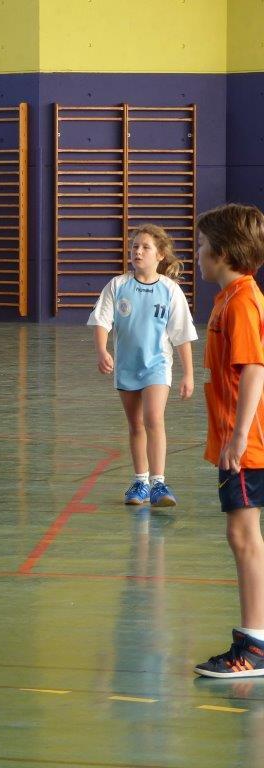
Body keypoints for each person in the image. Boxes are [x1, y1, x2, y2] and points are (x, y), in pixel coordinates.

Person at [190, 204, 264, 678]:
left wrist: (237, 437)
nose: (197, 253)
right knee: (244, 535)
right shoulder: (231, 298)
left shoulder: (241, 302)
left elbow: (254, 368)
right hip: (240, 438)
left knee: (243, 535)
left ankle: (254, 645)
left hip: (246, 443)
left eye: (202, 245)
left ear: (222, 251)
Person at [88, 224, 197, 506]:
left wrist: (188, 373)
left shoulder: (170, 291)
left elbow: (182, 335)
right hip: (127, 366)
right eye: (135, 246)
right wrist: (102, 350)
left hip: (157, 365)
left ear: (160, 255)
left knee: (153, 418)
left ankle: (159, 483)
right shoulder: (118, 286)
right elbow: (102, 321)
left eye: (145, 247)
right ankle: (140, 482)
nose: (138, 251)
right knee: (135, 424)